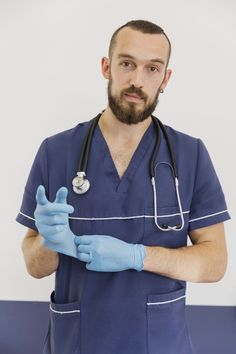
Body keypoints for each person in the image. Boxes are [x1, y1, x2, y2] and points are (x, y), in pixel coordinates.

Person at [17, 20, 230, 354]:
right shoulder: (55, 152)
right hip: (78, 342)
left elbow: (215, 263)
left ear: (165, 79)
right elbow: (34, 265)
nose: (136, 80)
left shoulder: (190, 155)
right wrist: (49, 242)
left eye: (152, 68)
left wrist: (137, 256)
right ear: (107, 67)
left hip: (161, 344)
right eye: (127, 63)